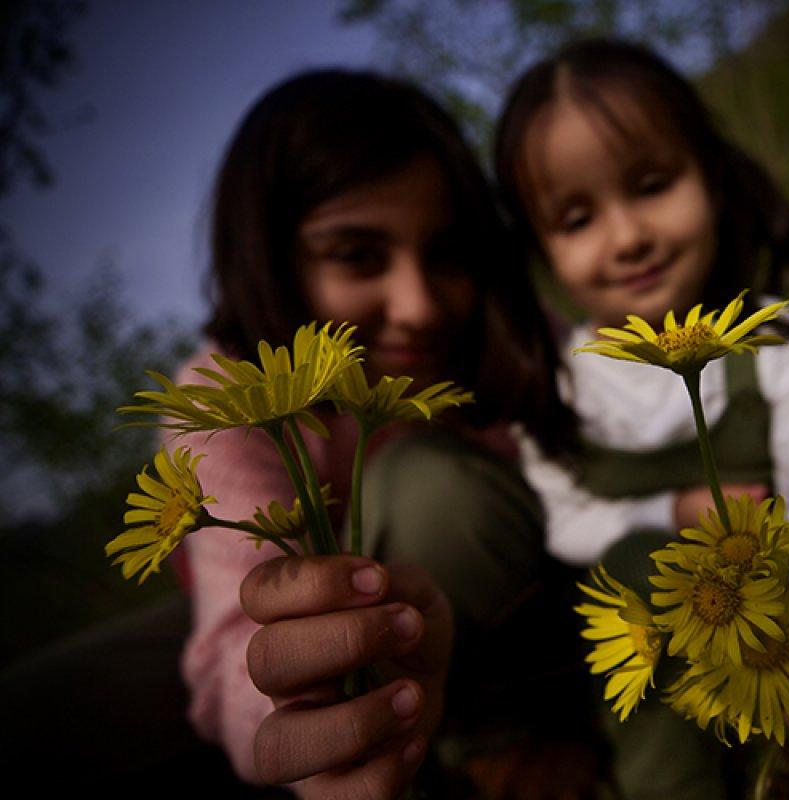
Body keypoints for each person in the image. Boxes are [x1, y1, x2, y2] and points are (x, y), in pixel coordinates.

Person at [493, 39, 789, 799]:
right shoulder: (558, 391)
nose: (627, 237)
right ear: (540, 251)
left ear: (711, 176)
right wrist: (670, 510)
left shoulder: (779, 347)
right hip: (654, 655)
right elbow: (565, 520)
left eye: (652, 185)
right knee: (640, 568)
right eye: (577, 217)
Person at [176, 68, 575, 797]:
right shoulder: (226, 399)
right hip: (384, 680)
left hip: (543, 631)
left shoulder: (517, 341)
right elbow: (238, 639)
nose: (418, 306)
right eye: (357, 255)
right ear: (269, 255)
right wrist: (298, 725)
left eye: (447, 253)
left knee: (433, 490)